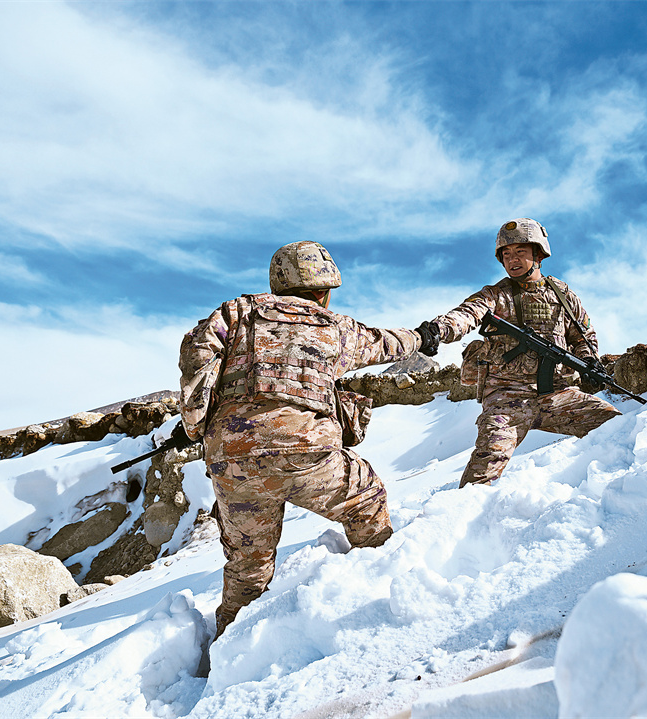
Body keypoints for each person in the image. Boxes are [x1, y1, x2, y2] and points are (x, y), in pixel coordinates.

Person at [177, 241, 438, 638]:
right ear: (325, 290)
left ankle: (227, 650)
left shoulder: (235, 313)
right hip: (308, 453)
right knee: (366, 502)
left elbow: (197, 361)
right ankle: (380, 596)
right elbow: (386, 343)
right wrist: (421, 337)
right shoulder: (335, 326)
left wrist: (197, 426)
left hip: (234, 461)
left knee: (248, 568)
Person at [418, 217, 621, 488]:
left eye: (520, 252)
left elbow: (583, 337)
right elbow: (467, 314)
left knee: (616, 427)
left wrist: (588, 362)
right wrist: (438, 329)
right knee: (483, 471)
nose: (512, 259)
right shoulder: (495, 295)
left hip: (557, 395)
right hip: (506, 398)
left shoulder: (563, 296)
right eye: (506, 254)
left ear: (538, 255)